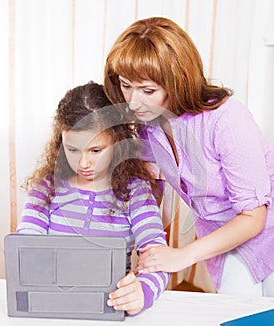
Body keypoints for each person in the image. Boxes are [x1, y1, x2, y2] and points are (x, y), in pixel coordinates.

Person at [103, 16, 274, 296]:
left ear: (177, 82)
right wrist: (136, 246)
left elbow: (254, 217)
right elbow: (149, 190)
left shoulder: (226, 119)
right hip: (224, 238)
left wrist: (182, 256)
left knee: (247, 322)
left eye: (148, 90)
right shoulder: (149, 123)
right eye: (126, 85)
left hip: (265, 228)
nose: (133, 101)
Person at [17, 81, 169, 315]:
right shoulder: (47, 187)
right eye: (73, 149)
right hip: (53, 307)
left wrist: (143, 291)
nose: (83, 163)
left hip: (110, 306)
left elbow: (157, 256)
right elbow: (26, 246)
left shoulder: (135, 192)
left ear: (117, 142)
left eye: (95, 150)